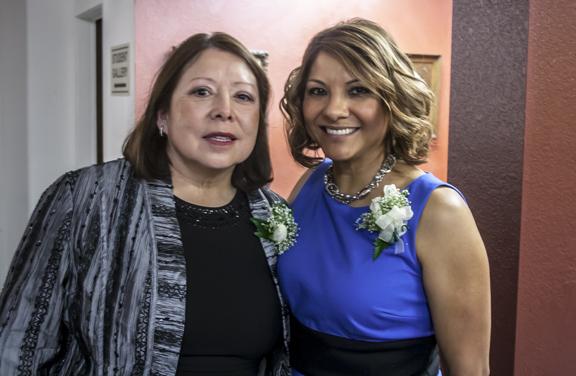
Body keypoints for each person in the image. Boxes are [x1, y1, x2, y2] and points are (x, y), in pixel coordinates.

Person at [0, 32, 290, 376]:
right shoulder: (85, 197)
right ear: (162, 115)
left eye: (243, 97)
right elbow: (21, 340)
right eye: (202, 92)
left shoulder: (273, 213)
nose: (224, 111)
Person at [277, 18, 491, 376]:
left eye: (358, 90)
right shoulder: (311, 183)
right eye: (318, 91)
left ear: (392, 100)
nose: (333, 109)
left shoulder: (440, 211)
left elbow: (470, 369)